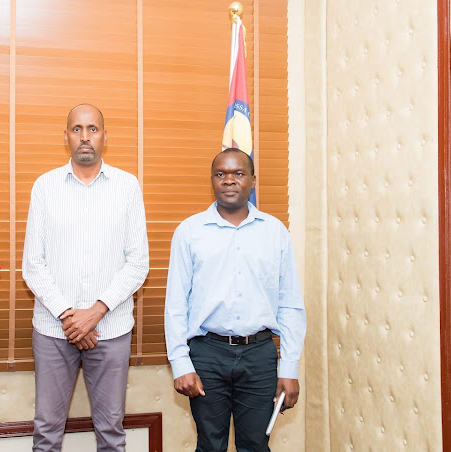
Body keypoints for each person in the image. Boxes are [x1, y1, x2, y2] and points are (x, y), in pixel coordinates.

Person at [22, 104, 149, 451]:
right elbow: (33, 264)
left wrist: (95, 312)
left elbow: (138, 262)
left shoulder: (127, 186)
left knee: (111, 432)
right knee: (47, 431)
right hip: (53, 331)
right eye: (77, 129)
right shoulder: (45, 187)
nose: (85, 136)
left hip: (111, 329)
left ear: (104, 136)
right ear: (66, 137)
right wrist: (69, 316)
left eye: (92, 129)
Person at [164, 148, 306, 452]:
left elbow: (290, 304)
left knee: (256, 445)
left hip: (260, 357)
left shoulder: (275, 232)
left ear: (253, 180)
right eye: (221, 174)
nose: (229, 180)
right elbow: (176, 305)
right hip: (207, 355)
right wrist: (180, 363)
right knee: (210, 446)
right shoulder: (189, 232)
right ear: (212, 181)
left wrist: (289, 368)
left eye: (238, 173)